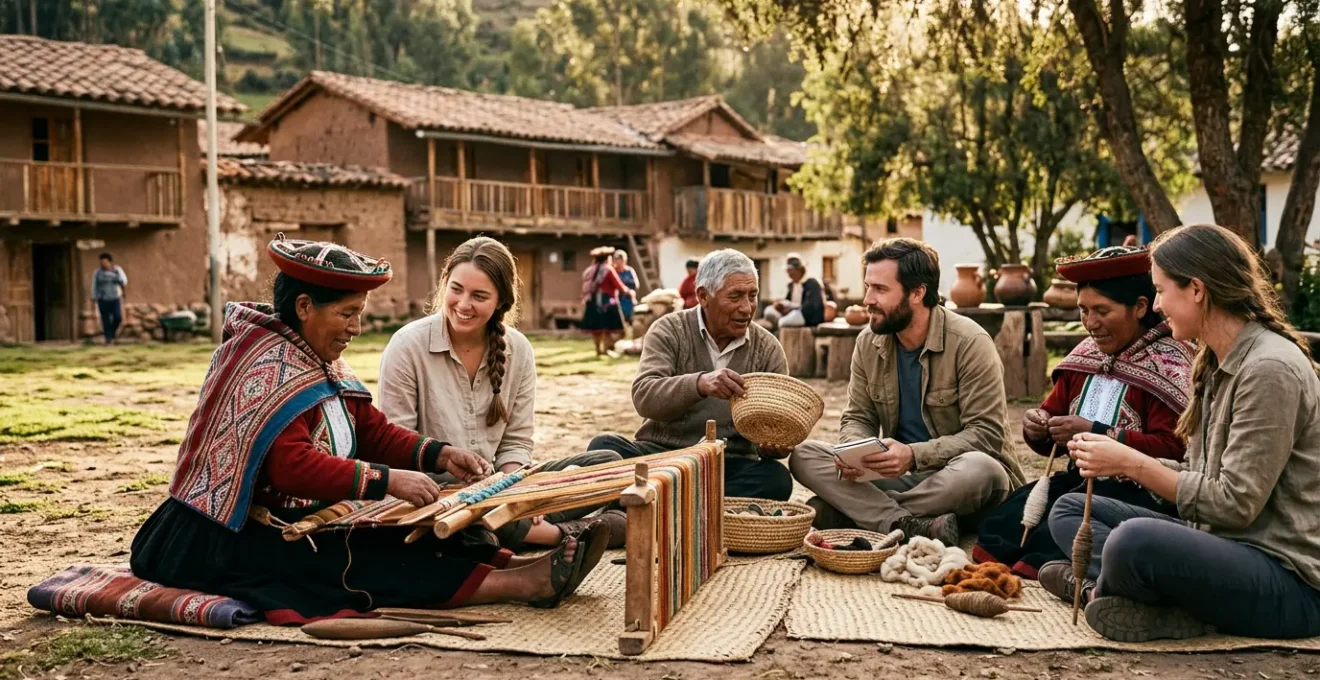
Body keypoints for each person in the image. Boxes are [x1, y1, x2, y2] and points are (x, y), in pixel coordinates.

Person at [130, 237, 609, 623]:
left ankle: (518, 562)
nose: (357, 327)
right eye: (347, 313)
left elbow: (372, 432)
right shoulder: (264, 362)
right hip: (217, 537)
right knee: (354, 562)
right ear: (304, 307)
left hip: (288, 521)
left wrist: (440, 455)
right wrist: (388, 480)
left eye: (358, 313)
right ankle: (522, 582)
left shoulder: (315, 359)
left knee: (407, 535)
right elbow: (290, 466)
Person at [1043, 224, 1320, 642]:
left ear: (1196, 289)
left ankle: (1098, 592)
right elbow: (1196, 473)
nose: (1156, 304)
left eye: (1160, 290)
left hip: (1286, 581)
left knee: (1134, 542)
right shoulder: (1216, 360)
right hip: (1218, 544)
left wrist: (1132, 462)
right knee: (1069, 508)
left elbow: (1234, 504)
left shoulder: (1269, 369)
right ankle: (1139, 598)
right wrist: (1117, 458)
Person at [379, 237, 626, 550]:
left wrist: (516, 493)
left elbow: (516, 443)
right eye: (456, 289)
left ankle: (516, 528)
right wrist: (484, 494)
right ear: (444, 284)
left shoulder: (518, 349)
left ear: (500, 301)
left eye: (479, 296)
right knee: (469, 525)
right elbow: (397, 447)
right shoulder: (407, 346)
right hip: (435, 496)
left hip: (499, 486)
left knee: (607, 462)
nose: (463, 304)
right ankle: (562, 535)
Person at [973, 246, 1193, 578]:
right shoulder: (1085, 357)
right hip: (1078, 482)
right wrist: (1039, 426)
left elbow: (1173, 448)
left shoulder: (1169, 362)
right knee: (1002, 526)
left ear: (1140, 307)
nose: (1090, 323)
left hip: (1137, 493)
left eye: (1102, 310)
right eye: (1083, 310)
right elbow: (1052, 419)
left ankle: (1074, 575)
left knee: (1055, 536)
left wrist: (1096, 432)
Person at [789, 238, 1022, 545]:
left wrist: (913, 455)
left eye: (880, 289)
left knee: (981, 469)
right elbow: (858, 417)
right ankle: (905, 523)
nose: (868, 299)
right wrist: (853, 452)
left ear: (917, 293)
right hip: (898, 476)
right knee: (804, 455)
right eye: (868, 287)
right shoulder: (868, 342)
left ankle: (856, 513)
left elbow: (986, 436)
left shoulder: (970, 342)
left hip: (957, 477)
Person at [588, 249, 795, 500]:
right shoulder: (669, 330)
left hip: (727, 464)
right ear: (703, 296)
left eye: (753, 295)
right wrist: (700, 383)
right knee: (603, 447)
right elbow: (644, 397)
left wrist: (773, 447)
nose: (747, 308)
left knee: (777, 479)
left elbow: (776, 430)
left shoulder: (768, 348)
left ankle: (661, 501)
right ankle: (701, 503)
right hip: (661, 456)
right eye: (735, 296)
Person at [580, 247, 627, 357]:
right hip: (608, 302)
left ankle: (599, 350)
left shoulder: (589, 270)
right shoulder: (608, 269)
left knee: (597, 329)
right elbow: (618, 285)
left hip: (592, 302)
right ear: (607, 258)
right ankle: (606, 349)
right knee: (614, 329)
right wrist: (628, 292)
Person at [761, 254, 825, 329]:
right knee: (768, 311)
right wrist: (780, 305)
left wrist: (792, 307)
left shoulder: (812, 283)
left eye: (792, 273)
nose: (790, 276)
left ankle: (779, 325)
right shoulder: (792, 285)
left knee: (783, 322)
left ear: (799, 270)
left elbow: (810, 307)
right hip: (792, 313)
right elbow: (788, 300)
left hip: (804, 315)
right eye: (788, 273)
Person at [91, 253, 127, 345]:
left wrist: (114, 275)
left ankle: (112, 333)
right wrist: (94, 297)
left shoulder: (117, 270)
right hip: (102, 299)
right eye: (101, 263)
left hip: (115, 298)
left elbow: (123, 281)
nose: (103, 265)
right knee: (105, 320)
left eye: (105, 263)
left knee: (118, 317)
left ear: (110, 262)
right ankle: (108, 338)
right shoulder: (97, 272)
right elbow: (94, 285)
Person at [612, 250, 640, 323]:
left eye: (620, 259)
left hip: (628, 299)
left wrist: (629, 291)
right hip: (617, 299)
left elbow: (635, 285)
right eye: (616, 259)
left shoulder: (629, 271)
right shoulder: (613, 271)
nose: (618, 262)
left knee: (631, 318)